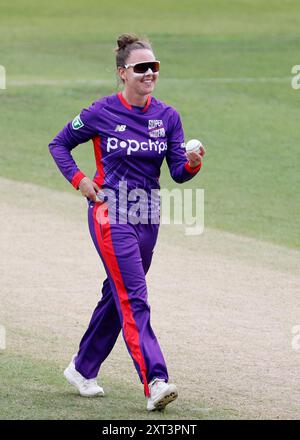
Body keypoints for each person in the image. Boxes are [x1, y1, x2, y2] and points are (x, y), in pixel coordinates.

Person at [48, 33, 205, 412]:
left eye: (154, 67)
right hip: (110, 212)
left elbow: (179, 173)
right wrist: (81, 180)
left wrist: (194, 163)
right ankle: (155, 380)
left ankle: (83, 368)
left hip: (148, 213)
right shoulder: (101, 111)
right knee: (134, 297)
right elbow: (59, 144)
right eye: (141, 68)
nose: (149, 73)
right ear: (122, 73)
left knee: (117, 293)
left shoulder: (168, 117)